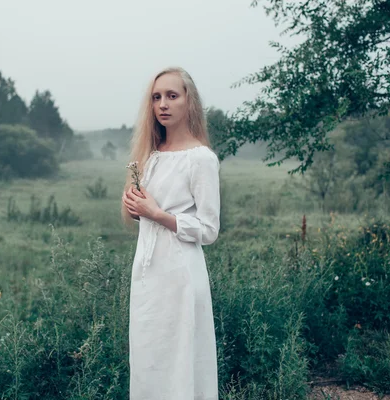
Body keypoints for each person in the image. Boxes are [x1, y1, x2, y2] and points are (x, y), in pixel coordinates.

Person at [121, 66, 221, 400]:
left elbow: (208, 230)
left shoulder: (200, 159)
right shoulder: (149, 157)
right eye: (156, 97)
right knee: (150, 357)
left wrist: (158, 214)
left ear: (189, 102)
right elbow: (148, 215)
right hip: (148, 272)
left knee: (181, 358)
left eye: (172, 96)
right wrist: (138, 208)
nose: (163, 104)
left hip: (180, 274)